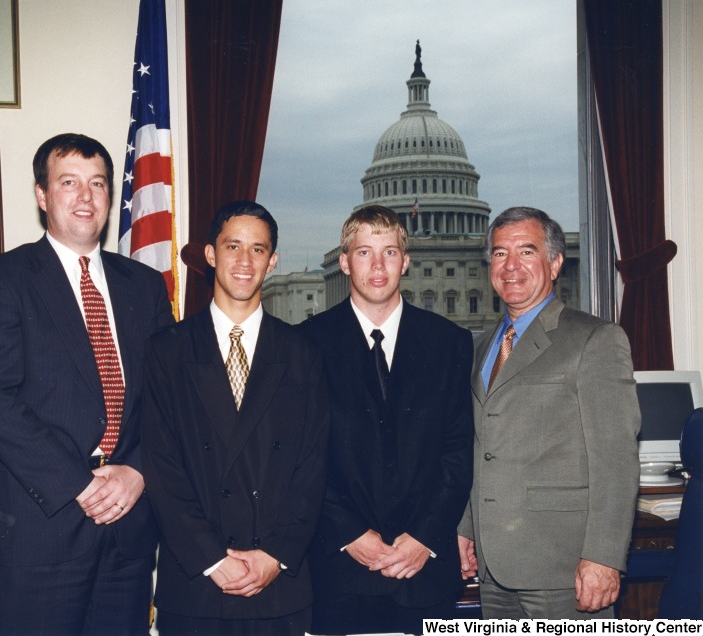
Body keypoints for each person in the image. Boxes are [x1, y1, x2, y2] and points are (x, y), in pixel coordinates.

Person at [0, 133, 173, 636]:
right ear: (42, 195)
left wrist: (138, 473)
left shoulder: (144, 286)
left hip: (129, 531)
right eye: (69, 183)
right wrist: (78, 486)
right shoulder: (3, 279)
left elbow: (171, 400)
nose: (85, 197)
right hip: (39, 531)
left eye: (97, 183)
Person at [141, 200, 330, 636]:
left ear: (273, 260)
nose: (245, 262)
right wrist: (212, 559)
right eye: (232, 247)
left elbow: (313, 468)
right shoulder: (166, 350)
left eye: (258, 250)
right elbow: (161, 467)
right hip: (196, 583)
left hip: (279, 584)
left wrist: (274, 555)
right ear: (211, 255)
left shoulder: (303, 353)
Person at [457, 206, 641, 619]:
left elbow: (615, 460)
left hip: (566, 566)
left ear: (555, 262)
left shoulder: (595, 339)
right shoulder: (480, 346)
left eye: (527, 251)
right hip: (493, 565)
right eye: (500, 254)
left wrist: (604, 558)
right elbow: (483, 445)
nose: (511, 266)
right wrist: (468, 527)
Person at [300, 205, 474, 635]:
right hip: (338, 569)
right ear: (344, 262)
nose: (378, 266)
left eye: (390, 252)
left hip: (424, 570)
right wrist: (351, 535)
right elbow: (301, 459)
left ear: (406, 260)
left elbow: (458, 452)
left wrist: (424, 538)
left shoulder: (449, 342)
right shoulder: (305, 344)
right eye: (364, 253)